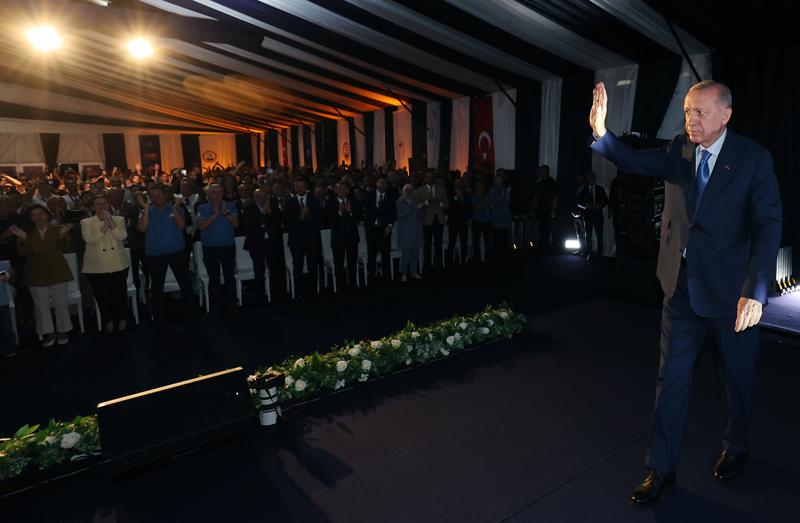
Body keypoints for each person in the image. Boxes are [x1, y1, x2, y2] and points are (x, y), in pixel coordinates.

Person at [589, 80, 782, 505]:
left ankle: (737, 447)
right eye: (688, 111)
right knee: (671, 380)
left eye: (700, 112)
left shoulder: (753, 158)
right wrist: (603, 132)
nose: (691, 120)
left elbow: (768, 226)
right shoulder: (680, 150)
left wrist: (755, 290)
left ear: (725, 114)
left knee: (738, 380)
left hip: (733, 298)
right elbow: (634, 160)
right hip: (681, 290)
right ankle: (661, 467)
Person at [9, 205, 74, 346]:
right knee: (41, 305)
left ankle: (63, 330)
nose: (38, 217)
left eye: (41, 213)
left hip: (57, 268)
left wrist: (61, 235)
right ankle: (48, 332)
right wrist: (23, 238)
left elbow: (65, 246)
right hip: (35, 271)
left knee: (61, 303)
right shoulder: (26, 232)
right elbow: (24, 252)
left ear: (47, 215)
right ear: (30, 218)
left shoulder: (58, 229)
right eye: (34, 215)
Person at [137, 184, 193, 326]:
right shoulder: (146, 211)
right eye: (152, 196)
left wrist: (174, 207)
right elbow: (142, 228)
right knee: (156, 287)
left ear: (165, 195)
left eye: (159, 194)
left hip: (177, 252)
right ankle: (158, 316)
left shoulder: (177, 208)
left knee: (185, 283)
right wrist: (146, 209)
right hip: (154, 254)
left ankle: (190, 313)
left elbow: (181, 225)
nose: (156, 198)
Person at [80, 194, 129, 333]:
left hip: (118, 263)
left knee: (120, 295)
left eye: (104, 203)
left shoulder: (119, 219)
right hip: (96, 266)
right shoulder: (86, 222)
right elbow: (90, 239)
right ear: (93, 207)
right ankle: (108, 320)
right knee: (102, 297)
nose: (102, 207)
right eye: (98, 204)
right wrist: (104, 227)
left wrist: (110, 223)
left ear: (108, 205)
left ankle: (123, 318)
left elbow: (122, 236)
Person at [196, 184, 239, 316]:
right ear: (208, 195)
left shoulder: (230, 205)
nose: (217, 194)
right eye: (214, 192)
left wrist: (225, 212)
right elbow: (201, 226)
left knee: (229, 276)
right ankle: (214, 305)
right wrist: (215, 214)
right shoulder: (202, 207)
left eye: (220, 192)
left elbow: (236, 223)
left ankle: (233, 303)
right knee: (213, 278)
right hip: (210, 248)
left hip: (228, 246)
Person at [242, 188, 283, 306]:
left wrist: (269, 212)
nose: (263, 199)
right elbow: (248, 224)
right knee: (259, 269)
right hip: (256, 243)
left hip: (271, 242)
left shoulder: (272, 206)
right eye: (260, 197)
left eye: (265, 197)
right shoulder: (249, 208)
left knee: (274, 268)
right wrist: (262, 213)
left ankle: (275, 294)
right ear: (255, 197)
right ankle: (260, 295)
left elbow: (278, 221)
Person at [283, 178, 322, 301]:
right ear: (294, 188)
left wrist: (309, 214)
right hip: (296, 240)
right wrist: (300, 217)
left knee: (313, 266)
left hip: (312, 239)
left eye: (302, 186)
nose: (300, 188)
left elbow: (320, 217)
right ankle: (298, 293)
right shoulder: (289, 202)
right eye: (297, 186)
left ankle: (313, 291)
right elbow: (286, 220)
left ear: (306, 187)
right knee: (297, 267)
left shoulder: (313, 200)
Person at [326, 181, 362, 288]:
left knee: (352, 263)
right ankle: (340, 287)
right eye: (339, 189)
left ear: (348, 190)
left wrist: (350, 212)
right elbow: (328, 221)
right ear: (335, 191)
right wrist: (339, 212)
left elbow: (360, 217)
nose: (341, 191)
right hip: (338, 238)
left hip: (352, 237)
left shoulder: (353, 201)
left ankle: (353, 285)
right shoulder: (330, 203)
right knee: (339, 264)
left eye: (343, 189)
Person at [363, 178, 396, 282]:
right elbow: (364, 210)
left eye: (384, 183)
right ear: (376, 184)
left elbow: (393, 214)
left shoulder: (390, 196)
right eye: (380, 182)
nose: (382, 185)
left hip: (385, 229)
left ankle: (386, 277)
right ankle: (372, 276)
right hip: (372, 229)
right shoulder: (369, 195)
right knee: (371, 253)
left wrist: (390, 225)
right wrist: (367, 224)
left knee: (385, 253)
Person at [415, 172, 447, 272]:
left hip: (438, 219)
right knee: (427, 245)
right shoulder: (419, 190)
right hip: (426, 220)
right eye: (428, 177)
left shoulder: (441, 189)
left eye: (432, 177)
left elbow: (447, 204)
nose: (430, 179)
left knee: (438, 244)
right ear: (425, 178)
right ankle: (427, 266)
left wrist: (440, 203)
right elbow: (416, 206)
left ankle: (439, 265)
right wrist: (426, 202)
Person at [395, 184, 423, 282]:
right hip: (405, 232)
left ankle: (413, 272)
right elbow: (399, 216)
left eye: (411, 190)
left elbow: (419, 216)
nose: (409, 192)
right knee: (406, 254)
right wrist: (410, 208)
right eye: (407, 190)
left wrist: (420, 210)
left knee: (415, 252)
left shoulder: (415, 201)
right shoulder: (399, 202)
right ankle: (404, 274)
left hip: (416, 231)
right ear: (403, 191)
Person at [579, 172, 608, 258]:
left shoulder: (600, 189)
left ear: (595, 178)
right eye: (590, 177)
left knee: (599, 235)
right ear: (587, 179)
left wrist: (600, 205)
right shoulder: (583, 189)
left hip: (598, 215)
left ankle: (600, 253)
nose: (591, 179)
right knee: (588, 235)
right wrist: (585, 205)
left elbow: (606, 200)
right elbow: (579, 202)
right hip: (588, 215)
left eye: (593, 177)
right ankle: (589, 252)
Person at [446, 177, 471, 264]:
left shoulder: (466, 194)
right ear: (454, 183)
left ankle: (463, 259)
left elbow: (469, 207)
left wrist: (469, 219)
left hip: (464, 221)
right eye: (456, 182)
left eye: (460, 182)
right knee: (451, 242)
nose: (458, 183)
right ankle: (449, 261)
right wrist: (456, 197)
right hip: (453, 221)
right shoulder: (450, 193)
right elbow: (448, 207)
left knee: (464, 242)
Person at [487, 172, 511, 262]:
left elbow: (508, 201)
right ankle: (496, 257)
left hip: (504, 216)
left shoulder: (504, 189)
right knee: (496, 237)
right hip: (497, 217)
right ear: (495, 180)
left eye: (500, 179)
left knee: (504, 237)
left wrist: (507, 194)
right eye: (497, 179)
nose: (499, 181)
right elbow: (495, 202)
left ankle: (504, 256)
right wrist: (502, 195)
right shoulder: (492, 189)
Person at [533, 165, 557, 251]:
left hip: (548, 209)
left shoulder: (552, 182)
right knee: (541, 228)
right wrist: (534, 206)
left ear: (547, 172)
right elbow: (536, 196)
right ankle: (542, 247)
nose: (541, 173)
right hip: (541, 209)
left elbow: (555, 196)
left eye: (543, 171)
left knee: (549, 229)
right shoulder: (540, 182)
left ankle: (550, 247)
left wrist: (553, 209)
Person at [471, 181, 491, 262]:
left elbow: (491, 206)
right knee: (476, 242)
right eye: (478, 186)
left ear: (484, 187)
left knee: (487, 241)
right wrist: (482, 202)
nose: (480, 188)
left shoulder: (487, 196)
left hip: (486, 221)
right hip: (477, 221)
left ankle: (487, 258)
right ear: (475, 187)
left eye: (481, 186)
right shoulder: (473, 197)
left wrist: (487, 201)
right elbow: (474, 208)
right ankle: (477, 259)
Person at [0, 261, 15, 358]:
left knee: (6, 327)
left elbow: (9, 278)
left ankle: (9, 348)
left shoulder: (3, 264)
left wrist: (9, 274)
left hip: (2, 302)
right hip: (2, 301)